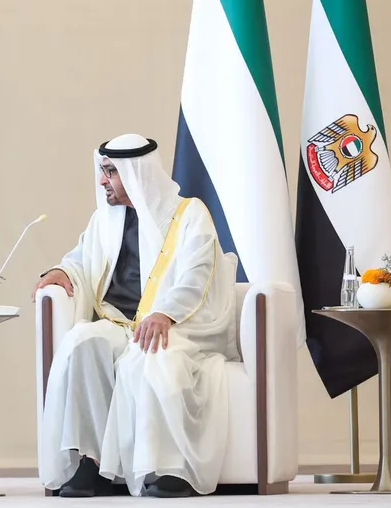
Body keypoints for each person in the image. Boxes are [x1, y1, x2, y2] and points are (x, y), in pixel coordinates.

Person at [34, 133, 238, 498]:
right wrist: (61, 272)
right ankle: (93, 463)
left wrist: (165, 313)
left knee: (153, 355)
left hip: (182, 324)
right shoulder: (104, 220)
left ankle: (170, 468)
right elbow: (81, 260)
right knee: (83, 342)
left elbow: (197, 273)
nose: (102, 181)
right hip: (120, 323)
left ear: (136, 172)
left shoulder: (189, 215)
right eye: (103, 171)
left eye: (110, 172)